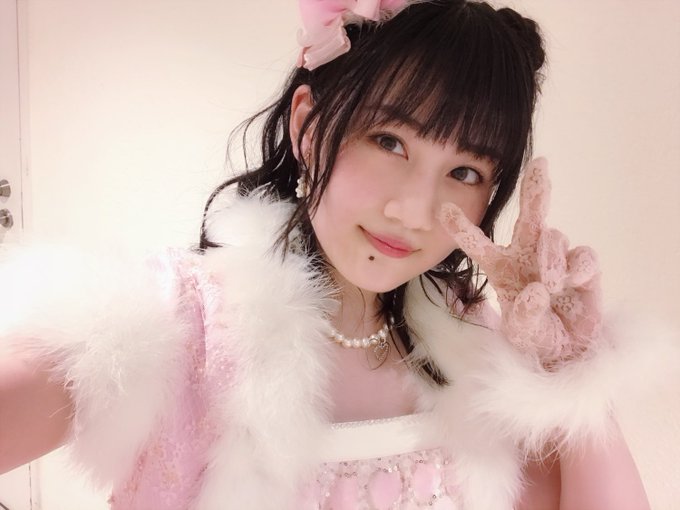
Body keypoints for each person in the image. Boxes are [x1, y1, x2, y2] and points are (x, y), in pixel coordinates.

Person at [0, 0, 671, 508]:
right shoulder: (170, 327)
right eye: (390, 141)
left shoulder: (472, 344)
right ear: (307, 124)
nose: (414, 210)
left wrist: (568, 369)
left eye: (465, 171)